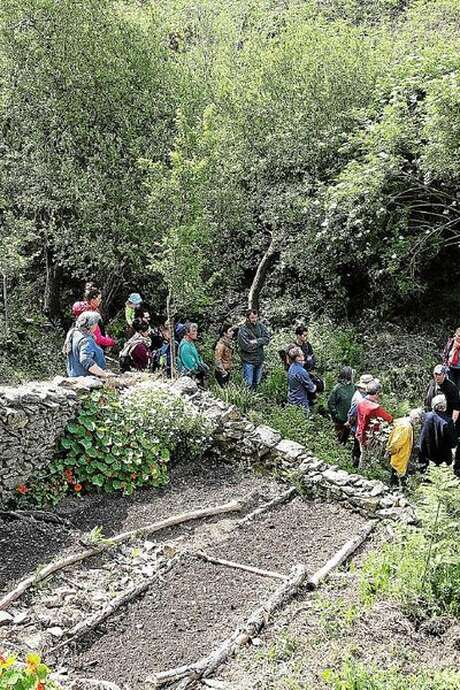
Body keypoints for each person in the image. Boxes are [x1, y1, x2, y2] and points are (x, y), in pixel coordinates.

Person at [356, 380, 393, 468]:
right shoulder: (374, 408)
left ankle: (360, 471)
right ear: (377, 393)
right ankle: (369, 475)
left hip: (361, 434)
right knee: (372, 458)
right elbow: (389, 419)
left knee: (363, 456)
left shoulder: (361, 403)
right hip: (371, 438)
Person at [64, 311, 109, 379]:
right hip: (85, 378)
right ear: (91, 325)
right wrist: (104, 374)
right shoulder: (87, 340)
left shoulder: (73, 333)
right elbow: (85, 359)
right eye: (96, 323)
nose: (97, 326)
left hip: (73, 375)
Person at [419, 394, 457, 471]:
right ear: (444, 405)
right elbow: (453, 442)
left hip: (426, 457)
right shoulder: (448, 421)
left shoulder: (425, 417)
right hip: (443, 459)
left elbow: (422, 438)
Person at [386, 408, 423, 485]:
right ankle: (395, 490)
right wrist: (390, 451)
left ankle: (394, 489)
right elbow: (397, 442)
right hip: (399, 455)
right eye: (418, 420)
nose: (418, 422)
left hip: (398, 455)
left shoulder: (403, 422)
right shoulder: (406, 427)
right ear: (415, 418)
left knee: (396, 474)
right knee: (396, 475)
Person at [71, 284, 115, 350]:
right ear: (92, 300)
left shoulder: (81, 309)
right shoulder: (92, 317)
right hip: (91, 349)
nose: (101, 301)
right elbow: (98, 338)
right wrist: (112, 342)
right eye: (99, 299)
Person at [238, 309, 271, 391]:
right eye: (252, 318)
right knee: (248, 383)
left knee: (257, 382)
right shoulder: (243, 329)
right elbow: (246, 346)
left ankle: (254, 399)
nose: (255, 320)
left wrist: (256, 341)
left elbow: (267, 339)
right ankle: (246, 400)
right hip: (248, 360)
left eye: (256, 317)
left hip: (259, 359)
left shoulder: (260, 326)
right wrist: (260, 343)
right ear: (247, 318)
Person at [346, 374, 375, 466]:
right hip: (358, 426)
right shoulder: (359, 399)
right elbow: (352, 414)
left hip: (360, 426)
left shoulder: (362, 396)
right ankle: (355, 464)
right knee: (358, 448)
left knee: (358, 447)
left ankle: (356, 463)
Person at [177, 322, 209, 387]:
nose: (196, 333)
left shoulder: (190, 343)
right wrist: (199, 368)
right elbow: (190, 366)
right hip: (191, 379)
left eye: (196, 331)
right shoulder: (185, 346)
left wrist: (202, 364)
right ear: (187, 333)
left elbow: (197, 357)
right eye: (193, 331)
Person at [328, 367, 355, 444]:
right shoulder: (337, 388)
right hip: (340, 419)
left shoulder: (352, 386)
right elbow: (330, 403)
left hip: (349, 418)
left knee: (345, 436)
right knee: (339, 437)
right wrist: (336, 415)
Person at [287, 346, 316, 414]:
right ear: (297, 358)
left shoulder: (292, 367)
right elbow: (312, 388)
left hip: (292, 399)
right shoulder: (301, 371)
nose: (304, 356)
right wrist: (317, 385)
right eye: (302, 355)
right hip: (300, 402)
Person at [214, 323, 234, 387]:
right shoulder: (221, 345)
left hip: (226, 370)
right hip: (222, 372)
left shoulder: (227, 343)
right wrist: (223, 372)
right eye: (230, 331)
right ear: (225, 333)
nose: (232, 333)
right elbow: (217, 360)